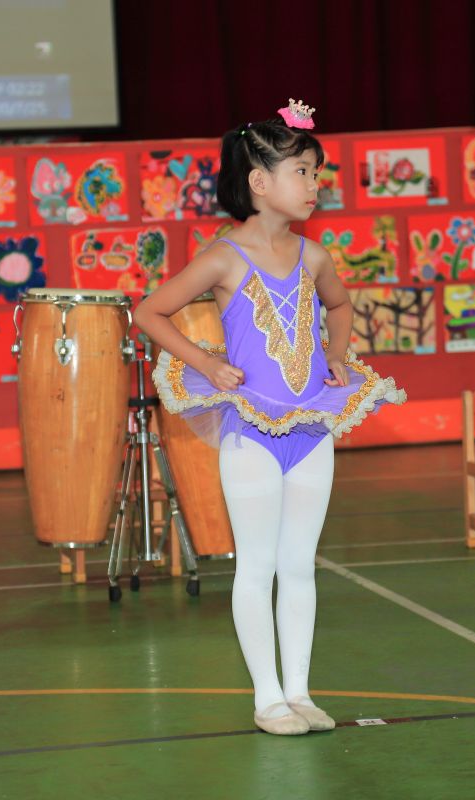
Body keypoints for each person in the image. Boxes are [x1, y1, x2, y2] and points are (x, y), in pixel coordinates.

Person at [134, 99, 406, 736]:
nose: (314, 185)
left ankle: (301, 692)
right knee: (257, 566)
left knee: (300, 565)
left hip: (311, 428)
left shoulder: (314, 257)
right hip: (252, 431)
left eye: (317, 173)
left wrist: (336, 354)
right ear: (259, 182)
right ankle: (267, 699)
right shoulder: (224, 256)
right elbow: (149, 311)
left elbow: (340, 307)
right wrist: (207, 361)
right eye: (302, 172)